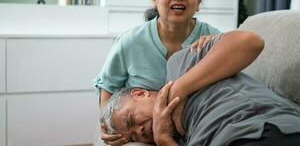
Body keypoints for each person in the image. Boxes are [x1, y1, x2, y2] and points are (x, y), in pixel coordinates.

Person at [93, 0, 221, 145]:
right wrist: (108, 125)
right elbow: (107, 90)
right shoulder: (130, 41)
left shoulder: (212, 39)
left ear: (199, 0)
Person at [101, 30, 300, 146]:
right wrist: (163, 138)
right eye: (134, 136)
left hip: (261, 131)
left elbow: (251, 42)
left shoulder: (180, 64)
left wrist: (179, 89)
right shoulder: (172, 137)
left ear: (140, 93)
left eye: (131, 121)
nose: (141, 131)